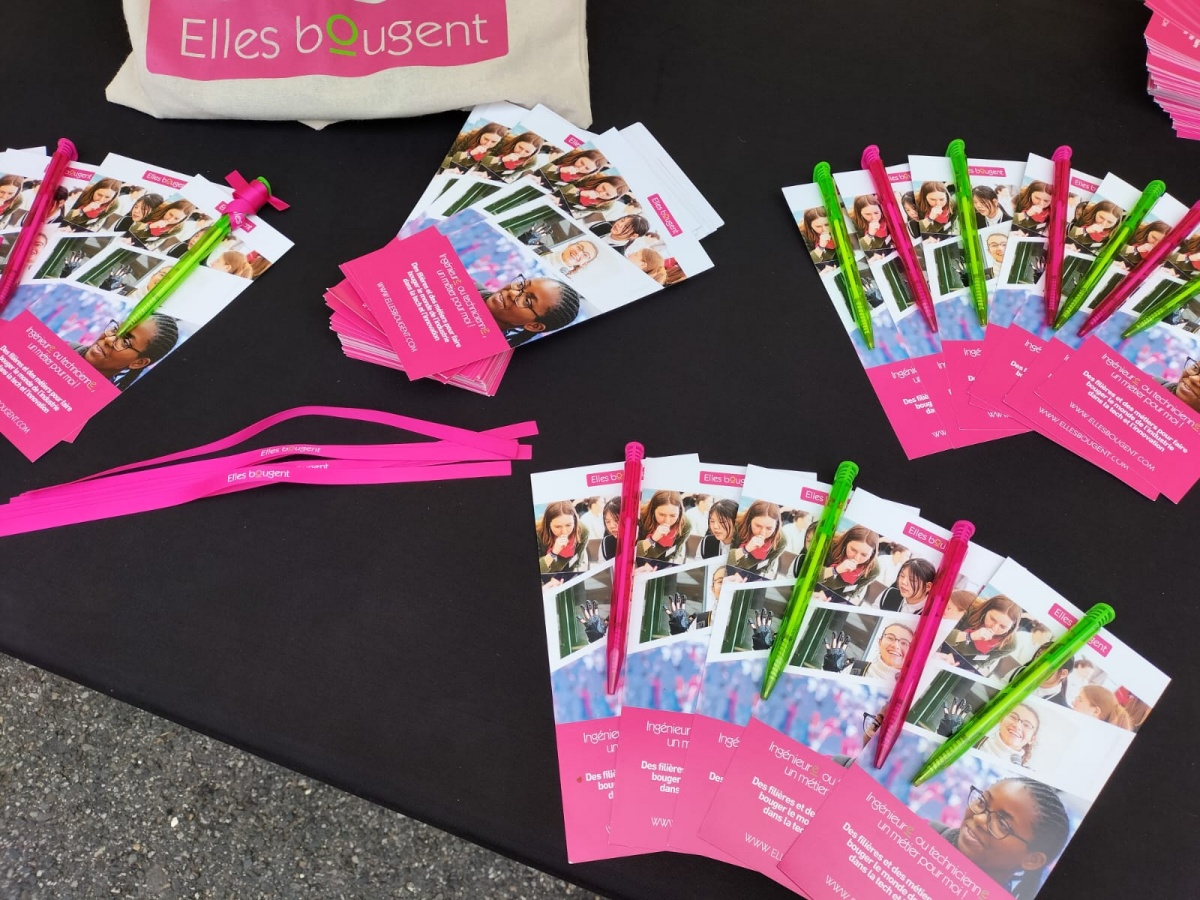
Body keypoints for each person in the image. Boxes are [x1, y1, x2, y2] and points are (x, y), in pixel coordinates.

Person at [929, 778, 1070, 900]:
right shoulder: (926, 831)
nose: (979, 819)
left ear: (1032, 860)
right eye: (981, 802)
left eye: (1002, 824)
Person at [74, 314, 180, 391]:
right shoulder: (66, 347)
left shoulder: (104, 405)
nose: (109, 340)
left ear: (138, 362)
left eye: (125, 342)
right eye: (115, 329)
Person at [479, 274, 583, 347]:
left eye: (526, 301)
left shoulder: (484, 351)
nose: (512, 292)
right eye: (521, 285)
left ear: (534, 326)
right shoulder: (470, 285)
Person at [943, 595, 1023, 672]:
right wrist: (970, 636)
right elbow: (943, 633)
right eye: (992, 619)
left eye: (1003, 627)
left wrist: (957, 658)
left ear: (1011, 628)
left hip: (961, 661)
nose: (994, 628)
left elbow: (981, 661)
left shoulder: (1009, 645)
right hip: (943, 644)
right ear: (986, 610)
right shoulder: (970, 608)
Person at [822, 623, 913, 681]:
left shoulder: (911, 683)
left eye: (904, 643)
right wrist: (831, 673)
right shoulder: (856, 668)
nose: (895, 645)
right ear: (879, 642)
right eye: (890, 638)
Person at [819, 525, 881, 603]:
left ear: (872, 554)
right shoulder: (830, 543)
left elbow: (851, 592)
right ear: (846, 542)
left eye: (864, 555)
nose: (856, 558)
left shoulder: (874, 569)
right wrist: (836, 570)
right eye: (853, 550)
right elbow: (812, 572)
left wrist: (828, 595)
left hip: (836, 597)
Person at [726, 499, 786, 579]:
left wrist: (744, 575)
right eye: (758, 526)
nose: (763, 533)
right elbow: (723, 557)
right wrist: (745, 549)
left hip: (751, 574)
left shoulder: (781, 540)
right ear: (749, 520)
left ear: (777, 526)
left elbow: (766, 567)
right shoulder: (736, 524)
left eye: (769, 528)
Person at [635, 490, 692, 565]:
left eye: (673, 516)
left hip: (660, 564)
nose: (667, 521)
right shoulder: (640, 516)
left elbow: (673, 553)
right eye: (661, 514)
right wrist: (652, 539)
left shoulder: (685, 525)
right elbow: (631, 551)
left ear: (680, 512)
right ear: (653, 510)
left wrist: (657, 565)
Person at [974, 704, 1040, 767]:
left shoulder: (1023, 773)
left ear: (1032, 739)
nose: (1017, 726)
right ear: (1001, 719)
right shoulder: (973, 741)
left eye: (1026, 725)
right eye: (1013, 717)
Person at [536, 500, 590, 575]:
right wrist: (553, 553)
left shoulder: (582, 530)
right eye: (557, 527)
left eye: (568, 525)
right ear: (548, 524)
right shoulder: (538, 532)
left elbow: (576, 561)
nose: (564, 532)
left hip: (566, 574)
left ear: (574, 521)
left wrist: (563, 577)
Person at [128, 200, 197, 250]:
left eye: (176, 219)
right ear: (168, 208)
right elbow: (132, 224)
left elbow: (156, 241)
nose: (170, 220)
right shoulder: (157, 207)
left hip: (141, 243)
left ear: (181, 220)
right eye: (170, 214)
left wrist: (144, 246)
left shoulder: (177, 228)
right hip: (129, 232)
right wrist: (150, 226)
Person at [441, 121, 508, 171]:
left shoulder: (498, 149)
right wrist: (469, 153)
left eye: (494, 142)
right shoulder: (462, 139)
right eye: (486, 139)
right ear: (481, 134)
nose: (488, 144)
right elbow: (443, 161)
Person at [479, 131, 545, 177]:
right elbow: (481, 159)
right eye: (520, 147)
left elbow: (512, 175)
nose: (521, 153)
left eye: (527, 152)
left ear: (533, 153)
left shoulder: (532, 161)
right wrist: (502, 159)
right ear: (516, 142)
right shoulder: (503, 142)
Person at [558, 174, 630, 212]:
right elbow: (561, 185)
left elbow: (580, 209)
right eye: (603, 188)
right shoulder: (591, 177)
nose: (601, 193)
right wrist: (579, 192)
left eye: (607, 195)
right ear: (602, 182)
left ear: (613, 198)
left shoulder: (606, 205)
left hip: (566, 207)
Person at [542, 148, 608, 184]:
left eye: (587, 168)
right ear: (579, 156)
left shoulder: (585, 180)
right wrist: (560, 169)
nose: (580, 168)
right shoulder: (562, 155)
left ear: (592, 171)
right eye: (581, 162)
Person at [600, 497, 621, 561]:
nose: (612, 526)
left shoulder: (642, 540)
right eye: (608, 521)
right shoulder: (607, 543)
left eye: (617, 520)